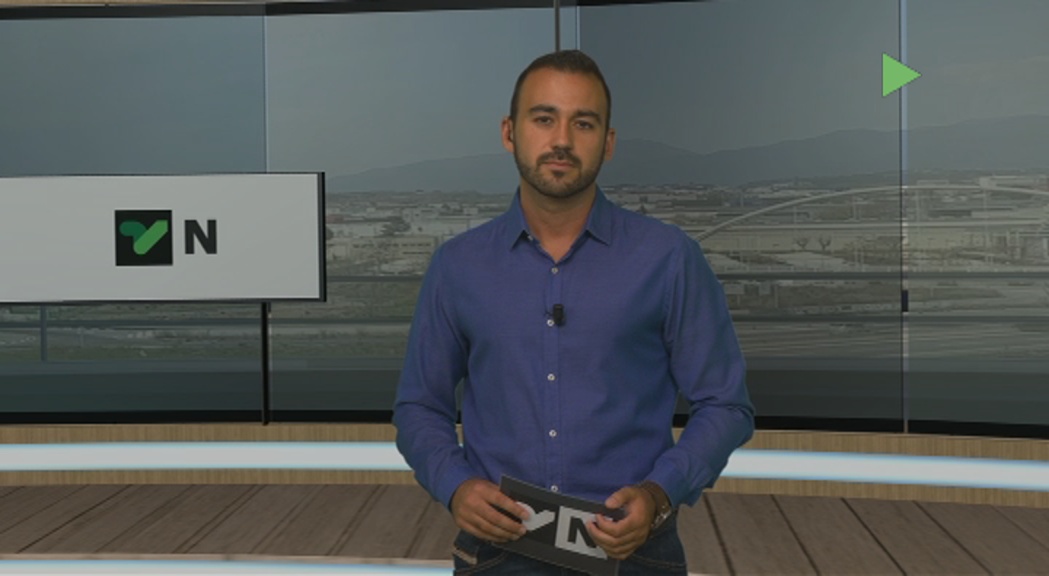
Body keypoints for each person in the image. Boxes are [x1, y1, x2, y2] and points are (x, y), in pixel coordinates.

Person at [392, 49, 754, 575]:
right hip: (499, 553)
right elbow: (419, 406)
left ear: (608, 142)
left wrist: (659, 494)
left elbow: (725, 405)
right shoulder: (457, 266)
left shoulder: (670, 258)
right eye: (544, 119)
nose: (561, 139)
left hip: (634, 553)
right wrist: (455, 485)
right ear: (509, 132)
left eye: (583, 123)